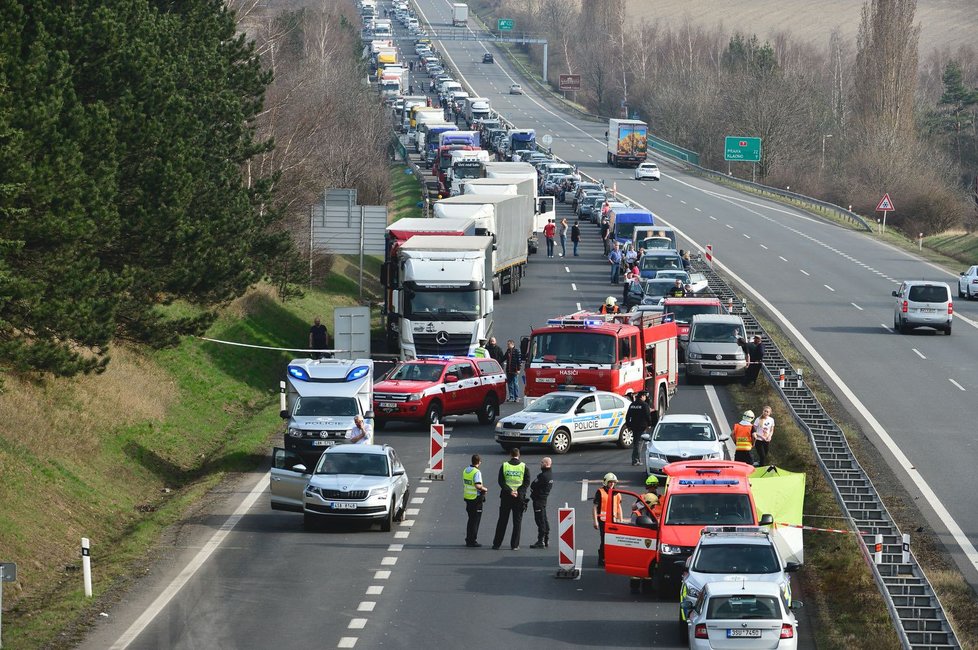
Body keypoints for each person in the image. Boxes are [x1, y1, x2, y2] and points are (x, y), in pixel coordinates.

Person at [492, 448, 530, 550]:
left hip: (506, 496)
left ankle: (497, 544)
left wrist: (510, 491)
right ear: (519, 455)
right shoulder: (524, 466)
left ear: (510, 455)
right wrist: (518, 491)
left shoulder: (504, 466)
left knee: (502, 520)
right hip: (519, 497)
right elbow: (526, 482)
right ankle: (514, 545)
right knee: (517, 522)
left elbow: (501, 481)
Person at [593, 472, 623, 566]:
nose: (612, 484)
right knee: (604, 540)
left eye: (614, 482)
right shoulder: (600, 492)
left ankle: (611, 558)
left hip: (613, 521)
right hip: (603, 521)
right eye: (610, 482)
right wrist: (595, 521)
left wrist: (620, 520)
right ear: (606, 482)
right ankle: (602, 558)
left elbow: (619, 507)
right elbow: (594, 507)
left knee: (613, 540)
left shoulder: (617, 493)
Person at [462, 454, 489, 547]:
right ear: (479, 462)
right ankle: (472, 540)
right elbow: (477, 485)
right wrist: (484, 489)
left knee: (470, 520)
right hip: (476, 499)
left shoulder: (466, 470)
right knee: (475, 521)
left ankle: (468, 539)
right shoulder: (476, 472)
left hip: (468, 497)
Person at [529, 457, 554, 549]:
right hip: (543, 500)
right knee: (544, 518)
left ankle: (541, 541)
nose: (540, 463)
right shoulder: (549, 474)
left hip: (539, 500)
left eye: (542, 462)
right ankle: (546, 539)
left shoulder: (543, 476)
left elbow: (533, 485)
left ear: (546, 464)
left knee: (540, 520)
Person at [626, 391, 653, 466]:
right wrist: (650, 424)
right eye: (645, 396)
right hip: (642, 427)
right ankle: (635, 460)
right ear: (642, 396)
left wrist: (628, 425)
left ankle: (636, 459)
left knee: (636, 443)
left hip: (634, 426)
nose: (645, 398)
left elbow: (628, 416)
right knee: (639, 443)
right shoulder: (644, 405)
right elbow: (648, 416)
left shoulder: (632, 404)